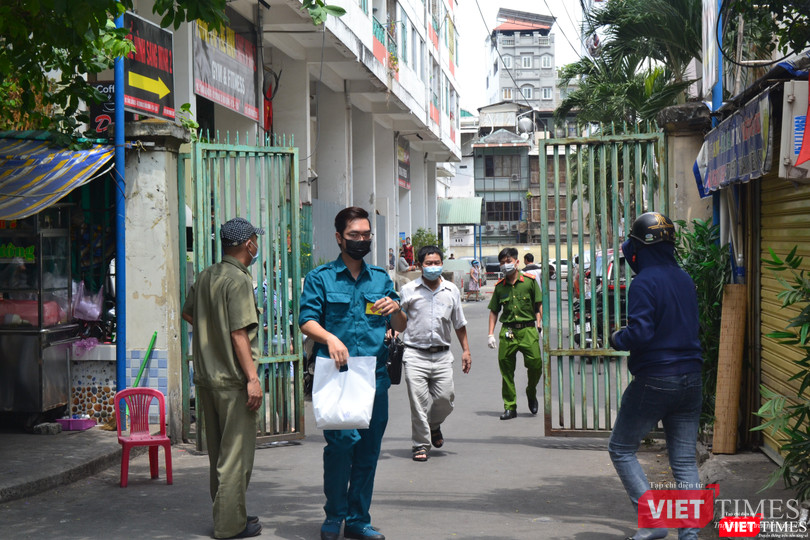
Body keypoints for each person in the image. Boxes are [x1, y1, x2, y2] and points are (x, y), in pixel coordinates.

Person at [299, 206, 407, 540]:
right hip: (337, 376)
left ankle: (358, 520)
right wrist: (330, 338)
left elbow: (400, 325)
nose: (361, 240)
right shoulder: (321, 277)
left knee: (368, 451)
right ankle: (334, 516)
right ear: (339, 238)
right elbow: (306, 320)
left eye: (366, 235)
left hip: (374, 377)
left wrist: (397, 309)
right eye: (354, 235)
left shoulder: (381, 278)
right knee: (341, 446)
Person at [607, 212, 703, 540]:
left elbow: (641, 333)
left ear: (639, 248)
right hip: (691, 378)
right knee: (685, 462)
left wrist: (617, 338)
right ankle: (690, 536)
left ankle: (653, 522)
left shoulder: (644, 282)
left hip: (655, 379)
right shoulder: (684, 279)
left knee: (621, 448)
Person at [181, 217, 264, 539]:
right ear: (248, 244)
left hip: (206, 378)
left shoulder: (206, 276)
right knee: (235, 458)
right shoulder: (238, 280)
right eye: (255, 240)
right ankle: (230, 525)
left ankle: (230, 513)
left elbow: (189, 312)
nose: (256, 246)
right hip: (232, 381)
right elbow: (238, 333)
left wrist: (210, 330)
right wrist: (252, 379)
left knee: (219, 454)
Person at [399, 246, 471, 462]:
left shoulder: (451, 290)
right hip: (415, 355)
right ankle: (421, 445)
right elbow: (399, 319)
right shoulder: (409, 290)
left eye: (436, 263)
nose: (433, 267)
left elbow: (459, 323)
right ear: (420, 266)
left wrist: (466, 350)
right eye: (428, 263)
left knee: (445, 399)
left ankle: (434, 424)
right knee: (418, 404)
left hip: (442, 356)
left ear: (442, 264)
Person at [487, 247, 543, 420]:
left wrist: (540, 325)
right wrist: (490, 334)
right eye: (502, 263)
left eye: (508, 261)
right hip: (508, 330)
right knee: (506, 369)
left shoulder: (529, 282)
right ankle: (510, 406)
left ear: (517, 262)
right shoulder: (499, 287)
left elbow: (539, 304)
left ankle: (531, 391)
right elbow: (494, 311)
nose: (505, 265)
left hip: (528, 330)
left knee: (535, 364)